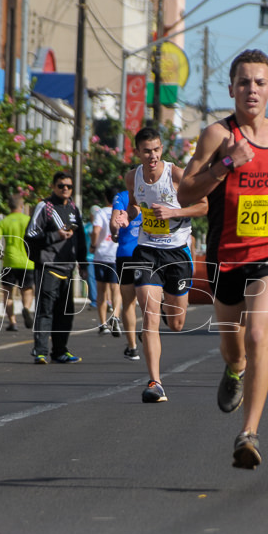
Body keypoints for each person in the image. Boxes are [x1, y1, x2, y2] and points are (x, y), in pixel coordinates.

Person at [177, 49, 268, 469]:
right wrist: (226, 164)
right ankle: (234, 371)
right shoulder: (216, 135)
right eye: (244, 82)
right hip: (226, 255)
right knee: (234, 349)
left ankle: (249, 433)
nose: (252, 89)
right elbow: (186, 193)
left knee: (258, 334)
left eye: (259, 82)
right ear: (231, 89)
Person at [114, 126, 207, 403]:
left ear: (161, 149)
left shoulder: (177, 175)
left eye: (156, 150)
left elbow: (203, 206)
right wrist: (124, 215)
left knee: (176, 323)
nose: (152, 156)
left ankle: (169, 304)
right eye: (146, 151)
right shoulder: (133, 177)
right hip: (147, 251)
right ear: (138, 152)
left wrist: (174, 212)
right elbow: (134, 207)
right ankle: (155, 382)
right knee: (149, 317)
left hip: (177, 254)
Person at [24, 171, 87, 364]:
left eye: (68, 186)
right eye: (61, 186)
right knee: (45, 310)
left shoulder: (74, 209)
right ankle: (40, 351)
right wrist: (55, 236)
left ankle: (60, 350)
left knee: (65, 313)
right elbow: (30, 236)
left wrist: (83, 264)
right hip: (48, 266)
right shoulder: (45, 207)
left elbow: (81, 238)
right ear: (53, 186)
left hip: (68, 268)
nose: (65, 189)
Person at [0, 194, 35, 332]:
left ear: (9, 206)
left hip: (9, 261)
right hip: (28, 262)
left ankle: (12, 322)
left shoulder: (4, 221)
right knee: (27, 291)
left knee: (8, 294)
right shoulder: (29, 220)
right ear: (22, 206)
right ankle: (26, 308)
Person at [111, 185, 142, 362]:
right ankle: (146, 331)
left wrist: (115, 233)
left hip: (126, 254)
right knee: (149, 300)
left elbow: (114, 223)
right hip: (148, 254)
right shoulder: (154, 193)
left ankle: (132, 348)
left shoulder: (122, 196)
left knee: (128, 302)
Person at [91, 189, 122, 337]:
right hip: (116, 255)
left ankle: (103, 323)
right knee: (116, 289)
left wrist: (93, 245)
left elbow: (96, 230)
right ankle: (115, 316)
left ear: (105, 197)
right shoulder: (121, 212)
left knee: (101, 291)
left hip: (101, 255)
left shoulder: (101, 213)